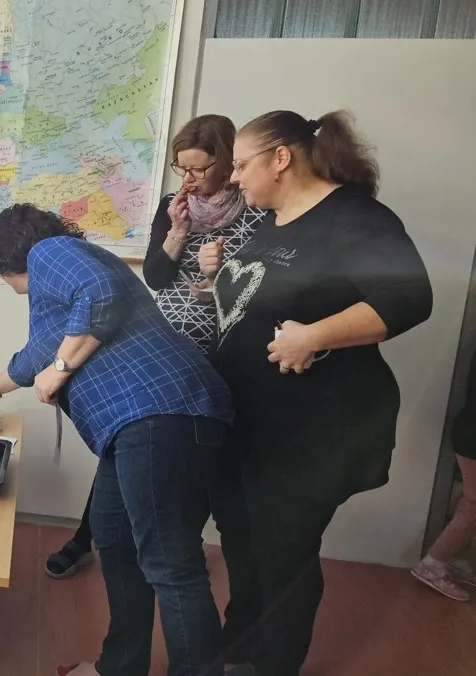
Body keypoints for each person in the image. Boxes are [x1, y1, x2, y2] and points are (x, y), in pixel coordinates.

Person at [200, 110, 432, 676]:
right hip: (249, 423)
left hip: (312, 430)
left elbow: (409, 298)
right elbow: (264, 300)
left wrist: (315, 335)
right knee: (242, 538)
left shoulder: (354, 216)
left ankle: (274, 664)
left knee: (284, 553)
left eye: (241, 165)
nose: (234, 177)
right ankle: (239, 643)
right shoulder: (272, 221)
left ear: (280, 158)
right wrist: (216, 279)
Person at [0, 204, 235, 676]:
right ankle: (120, 667)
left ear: (7, 258)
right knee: (112, 538)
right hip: (137, 425)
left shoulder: (50, 252)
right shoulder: (62, 288)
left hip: (161, 413)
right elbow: (39, 353)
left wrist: (63, 367)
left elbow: (100, 292)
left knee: (170, 563)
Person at [47, 116, 265, 600]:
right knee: (125, 439)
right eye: (180, 168)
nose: (188, 179)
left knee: (191, 457)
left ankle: (179, 547)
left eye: (198, 169)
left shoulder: (256, 208)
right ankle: (86, 538)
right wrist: (177, 231)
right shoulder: (175, 206)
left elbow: (260, 285)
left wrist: (220, 280)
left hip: (222, 350)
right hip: (162, 340)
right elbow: (156, 277)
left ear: (227, 161)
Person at [412, 351, 476, 600]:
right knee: (473, 504)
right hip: (472, 433)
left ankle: (444, 558)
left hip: (468, 428)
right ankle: (432, 564)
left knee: (470, 500)